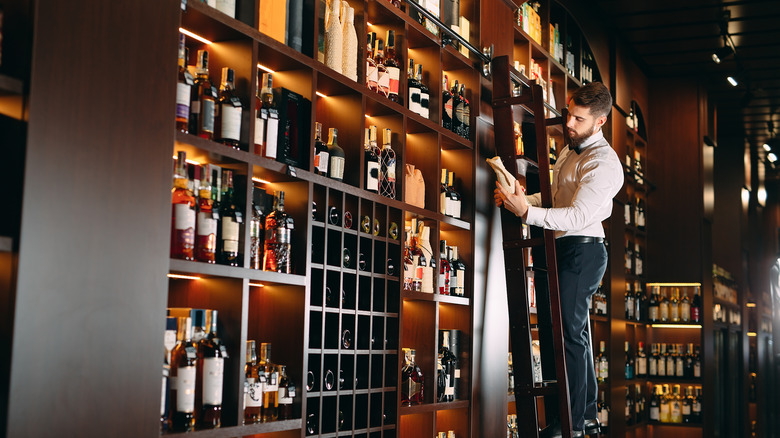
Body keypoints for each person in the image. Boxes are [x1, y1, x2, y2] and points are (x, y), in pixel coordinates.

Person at [494, 82, 624, 438]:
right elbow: (555, 194)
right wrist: (522, 199)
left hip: (584, 250)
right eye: (569, 113)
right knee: (571, 332)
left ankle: (575, 424)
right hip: (564, 248)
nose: (569, 123)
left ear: (600, 122)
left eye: (579, 119)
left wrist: (526, 214)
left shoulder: (603, 163)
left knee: (568, 333)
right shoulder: (571, 150)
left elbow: (577, 215)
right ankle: (586, 417)